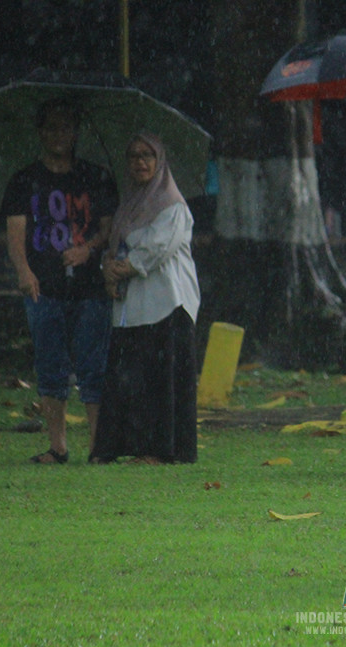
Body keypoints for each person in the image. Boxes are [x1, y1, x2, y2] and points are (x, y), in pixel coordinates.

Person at [1, 98, 118, 464]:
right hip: (45, 287)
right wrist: (24, 271)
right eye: (51, 127)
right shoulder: (23, 180)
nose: (58, 134)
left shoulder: (95, 177)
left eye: (65, 127)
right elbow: (15, 233)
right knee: (50, 366)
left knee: (94, 367)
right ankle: (58, 446)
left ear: (76, 132)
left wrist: (88, 249)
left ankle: (98, 446)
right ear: (40, 132)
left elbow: (109, 228)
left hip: (91, 287)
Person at [89, 132, 201, 464]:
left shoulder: (172, 206)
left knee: (160, 382)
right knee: (131, 381)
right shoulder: (129, 205)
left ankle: (161, 450)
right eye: (134, 156)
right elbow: (118, 246)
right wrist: (109, 267)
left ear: (159, 161)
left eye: (147, 155)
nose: (140, 162)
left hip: (167, 305)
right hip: (133, 308)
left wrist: (120, 269)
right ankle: (125, 446)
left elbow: (156, 250)